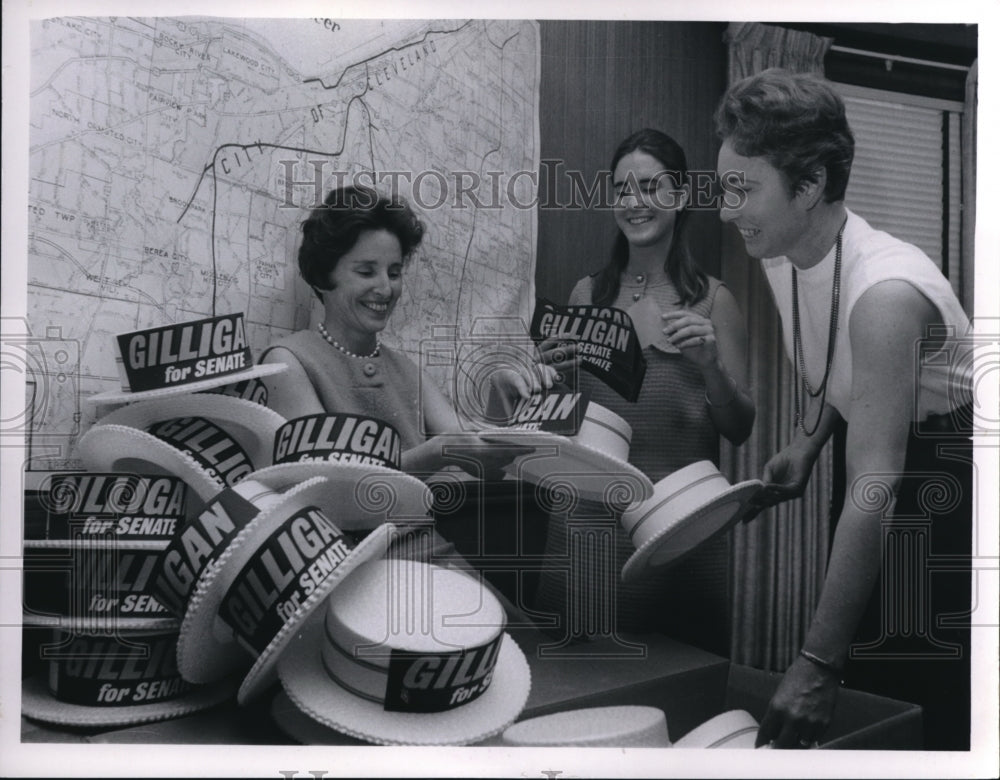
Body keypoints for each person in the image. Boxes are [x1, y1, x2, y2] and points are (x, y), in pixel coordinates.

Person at [715, 68, 973, 750]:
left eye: (743, 191)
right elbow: (847, 370)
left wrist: (817, 662)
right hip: (876, 448)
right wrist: (809, 441)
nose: (725, 208)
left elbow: (878, 479)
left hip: (941, 476)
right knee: (858, 666)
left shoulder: (887, 293)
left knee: (911, 691)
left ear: (810, 187)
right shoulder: (783, 248)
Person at [532, 128, 756, 643]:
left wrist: (710, 366)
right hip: (584, 530)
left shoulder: (714, 302)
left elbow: (740, 428)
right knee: (577, 701)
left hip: (674, 532)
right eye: (622, 189)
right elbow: (564, 423)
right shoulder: (586, 294)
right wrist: (546, 379)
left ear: (679, 196)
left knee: (680, 691)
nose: (634, 202)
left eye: (651, 187)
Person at [259, 184, 543, 478]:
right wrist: (435, 452)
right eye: (366, 272)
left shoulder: (406, 371)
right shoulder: (287, 363)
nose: (385, 289)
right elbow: (325, 480)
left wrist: (501, 394)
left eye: (394, 273)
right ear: (321, 276)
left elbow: (478, 459)